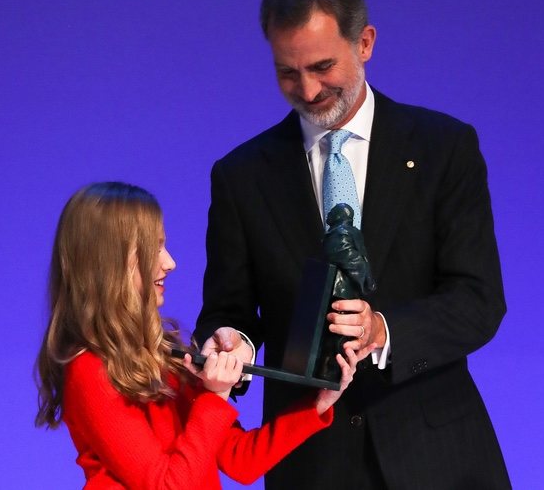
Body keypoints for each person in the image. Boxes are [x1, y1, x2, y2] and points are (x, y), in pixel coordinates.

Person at [194, 0, 511, 488]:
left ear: (365, 43)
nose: (308, 87)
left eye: (322, 66)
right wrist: (231, 344)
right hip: (311, 461)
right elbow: (228, 312)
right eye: (288, 72)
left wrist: (382, 331)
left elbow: (479, 300)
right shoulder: (241, 176)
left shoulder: (444, 147)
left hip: (439, 459)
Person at [34, 182, 371, 489]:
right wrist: (214, 397)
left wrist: (317, 405)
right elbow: (171, 485)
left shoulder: (160, 353)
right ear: (109, 263)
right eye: (153, 248)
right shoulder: (90, 370)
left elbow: (240, 459)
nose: (170, 263)